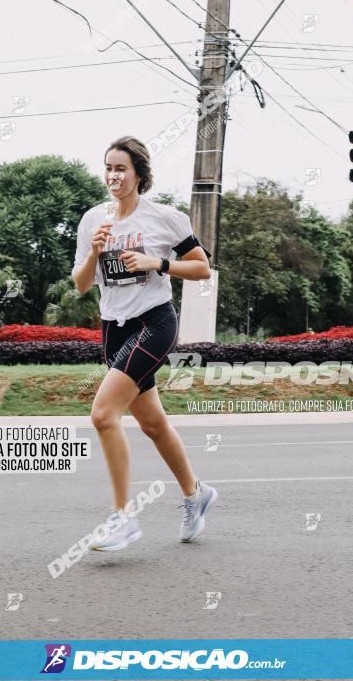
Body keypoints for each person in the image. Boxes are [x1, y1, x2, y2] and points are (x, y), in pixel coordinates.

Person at [72, 135, 218, 551]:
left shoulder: (164, 218)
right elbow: (82, 285)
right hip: (113, 328)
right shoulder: (92, 221)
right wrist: (94, 252)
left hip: (154, 323)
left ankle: (123, 518)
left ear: (139, 174)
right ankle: (196, 494)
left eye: (121, 168)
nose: (113, 176)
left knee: (103, 415)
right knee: (153, 424)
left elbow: (202, 268)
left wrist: (158, 262)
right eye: (108, 168)